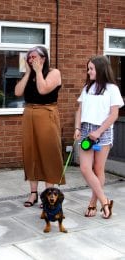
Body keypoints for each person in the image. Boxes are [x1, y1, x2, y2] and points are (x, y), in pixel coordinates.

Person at [74, 55, 124, 219]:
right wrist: (77, 127)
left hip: (102, 131)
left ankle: (93, 203)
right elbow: (79, 110)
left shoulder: (112, 89)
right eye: (88, 69)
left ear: (101, 69)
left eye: (91, 69)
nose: (88, 72)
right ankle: (105, 201)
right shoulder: (87, 88)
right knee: (85, 168)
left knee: (98, 169)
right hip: (86, 129)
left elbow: (114, 114)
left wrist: (98, 132)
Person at [15, 46, 64, 207]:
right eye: (29, 57)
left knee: (48, 152)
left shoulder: (54, 73)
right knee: (31, 153)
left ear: (43, 58)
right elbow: (17, 92)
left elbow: (43, 90)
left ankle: (49, 193)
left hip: (47, 114)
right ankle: (33, 194)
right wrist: (29, 72)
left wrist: (38, 72)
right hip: (29, 114)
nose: (31, 60)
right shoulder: (28, 74)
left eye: (34, 57)